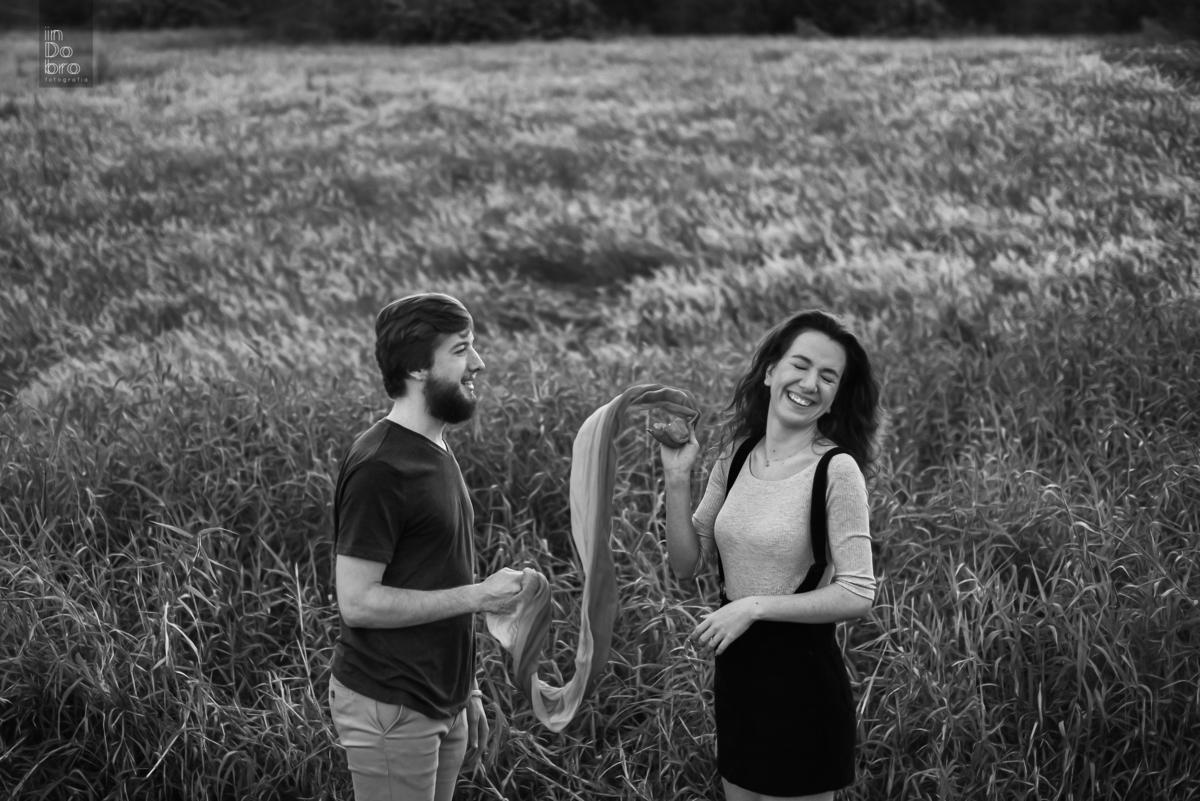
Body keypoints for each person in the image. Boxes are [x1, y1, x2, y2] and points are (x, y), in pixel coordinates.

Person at [658, 309, 880, 801]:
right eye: (799, 365)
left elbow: (858, 592)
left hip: (804, 689)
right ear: (770, 372)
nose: (809, 383)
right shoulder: (737, 453)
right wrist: (677, 478)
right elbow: (686, 565)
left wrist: (753, 606)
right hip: (739, 683)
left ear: (836, 396)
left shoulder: (836, 471)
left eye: (828, 376)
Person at [328, 292, 530, 801]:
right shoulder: (382, 466)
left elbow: (433, 573)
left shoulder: (433, 446)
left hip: (441, 697)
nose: (478, 363)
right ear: (419, 367)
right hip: (391, 703)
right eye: (461, 350)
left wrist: (468, 688)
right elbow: (358, 602)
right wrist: (481, 596)